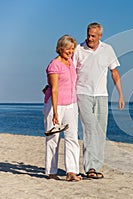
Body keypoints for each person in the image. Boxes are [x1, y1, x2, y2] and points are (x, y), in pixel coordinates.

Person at [73, 22, 125, 179]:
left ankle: (96, 166)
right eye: (88, 34)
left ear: (100, 36)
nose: (89, 38)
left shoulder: (107, 50)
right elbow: (70, 72)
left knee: (101, 131)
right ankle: (89, 168)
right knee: (90, 129)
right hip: (82, 94)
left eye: (93, 36)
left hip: (102, 95)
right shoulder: (79, 49)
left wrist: (121, 94)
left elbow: (114, 72)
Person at [43, 34, 82, 181]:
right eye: (68, 49)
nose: (70, 51)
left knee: (72, 137)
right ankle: (51, 172)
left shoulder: (70, 62)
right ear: (60, 48)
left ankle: (71, 171)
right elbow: (54, 89)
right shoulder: (54, 65)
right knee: (53, 138)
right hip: (56, 105)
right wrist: (54, 113)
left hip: (71, 105)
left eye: (72, 49)